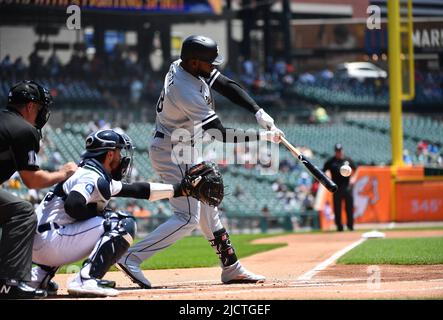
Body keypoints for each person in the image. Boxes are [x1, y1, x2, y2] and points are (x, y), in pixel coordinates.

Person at [117, 35, 284, 288]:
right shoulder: (184, 90)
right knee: (188, 217)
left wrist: (257, 111)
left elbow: (226, 85)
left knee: (209, 211)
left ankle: (231, 268)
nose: (213, 66)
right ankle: (131, 256)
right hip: (174, 151)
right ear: (195, 62)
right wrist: (263, 136)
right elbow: (219, 133)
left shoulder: (184, 65)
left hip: (184, 148)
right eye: (209, 62)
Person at [29, 129, 208, 297]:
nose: (122, 157)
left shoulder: (91, 173)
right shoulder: (90, 176)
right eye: (119, 151)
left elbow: (138, 190)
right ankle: (86, 279)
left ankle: (38, 278)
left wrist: (180, 189)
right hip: (52, 241)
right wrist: (97, 214)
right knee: (122, 222)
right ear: (110, 154)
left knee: (96, 219)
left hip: (40, 244)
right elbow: (73, 205)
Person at [0, 80, 77, 299]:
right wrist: (63, 173)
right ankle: (9, 283)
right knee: (22, 212)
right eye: (41, 107)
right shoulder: (23, 129)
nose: (43, 113)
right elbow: (32, 180)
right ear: (30, 106)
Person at [322, 144, 357, 231]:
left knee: (349, 207)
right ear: (335, 152)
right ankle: (339, 226)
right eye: (337, 151)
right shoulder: (331, 161)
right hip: (336, 188)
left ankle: (350, 225)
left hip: (347, 188)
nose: (339, 152)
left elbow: (356, 169)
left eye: (340, 150)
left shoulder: (348, 160)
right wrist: (328, 179)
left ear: (342, 150)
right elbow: (323, 171)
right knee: (337, 208)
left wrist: (353, 178)